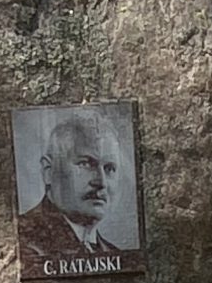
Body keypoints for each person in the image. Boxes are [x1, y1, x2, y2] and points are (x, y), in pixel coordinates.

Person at [16, 115, 134, 274]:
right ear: (48, 171)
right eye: (86, 164)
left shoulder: (115, 254)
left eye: (109, 168)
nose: (101, 182)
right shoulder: (21, 242)